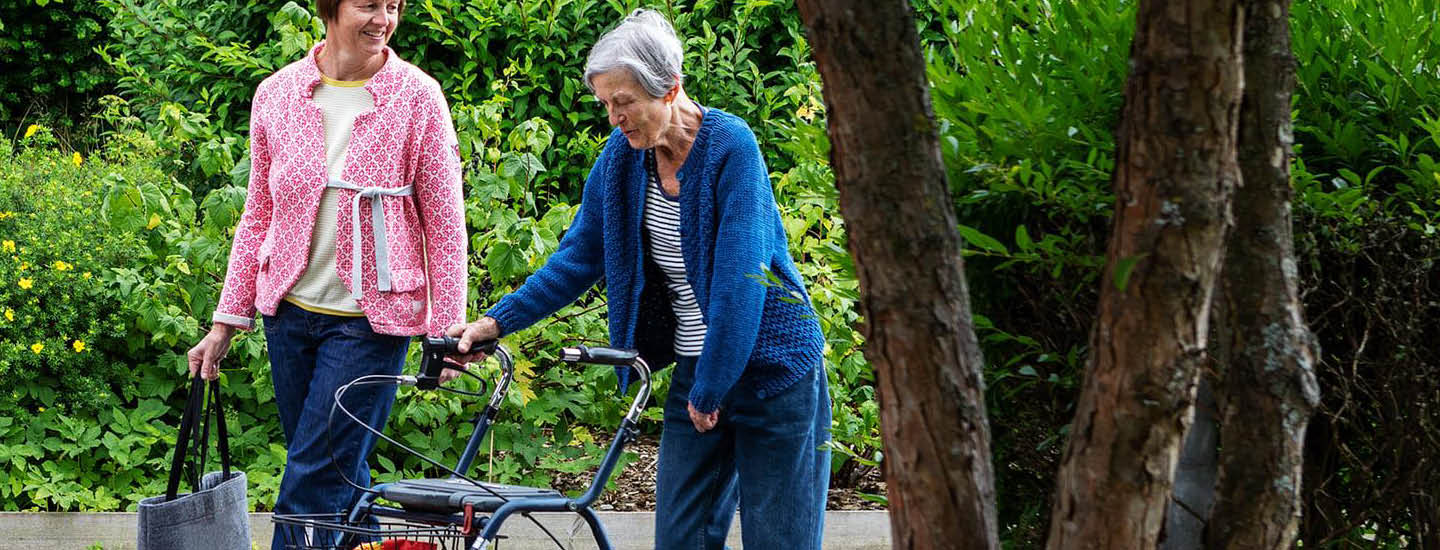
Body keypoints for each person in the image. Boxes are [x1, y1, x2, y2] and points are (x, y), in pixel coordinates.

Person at [446, 9, 830, 549]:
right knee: (680, 539)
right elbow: (576, 260)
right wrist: (495, 322)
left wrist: (713, 387)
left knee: (780, 541)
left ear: (669, 88)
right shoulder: (621, 162)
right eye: (606, 104)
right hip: (700, 370)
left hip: (774, 374)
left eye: (623, 103)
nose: (613, 118)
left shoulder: (732, 150)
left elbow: (741, 280)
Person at [183, 0, 466, 544]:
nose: (382, 19)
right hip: (288, 317)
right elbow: (257, 214)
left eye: (393, 6)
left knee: (311, 482)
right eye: (368, 5)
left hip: (370, 323)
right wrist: (226, 322)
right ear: (330, 9)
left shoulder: (418, 96)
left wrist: (446, 331)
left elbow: (446, 224)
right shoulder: (277, 93)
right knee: (340, 475)